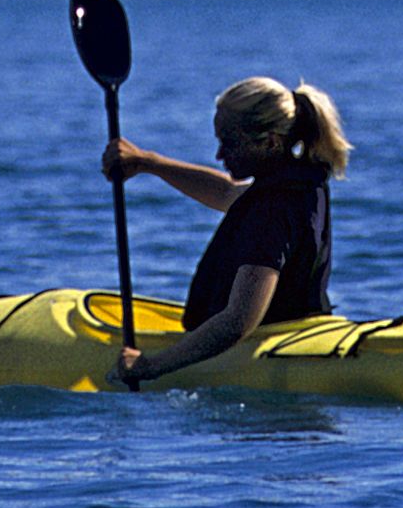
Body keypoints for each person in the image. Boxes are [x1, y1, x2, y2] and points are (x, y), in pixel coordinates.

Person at [100, 75, 350, 387]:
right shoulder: (302, 185)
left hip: (260, 352)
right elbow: (226, 194)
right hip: (304, 331)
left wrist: (149, 366)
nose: (219, 156)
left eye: (229, 143)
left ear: (270, 142)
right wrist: (149, 163)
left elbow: (238, 321)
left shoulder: (271, 211)